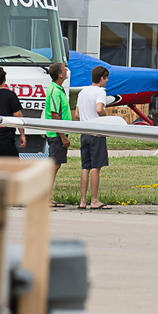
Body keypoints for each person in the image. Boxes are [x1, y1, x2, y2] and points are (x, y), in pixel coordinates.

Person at [74, 66, 112, 210]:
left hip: (84, 133)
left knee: (85, 167)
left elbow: (77, 114)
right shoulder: (100, 92)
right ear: (102, 78)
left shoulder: (82, 92)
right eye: (106, 78)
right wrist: (105, 117)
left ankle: (82, 201)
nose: (107, 81)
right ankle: (94, 200)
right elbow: (98, 109)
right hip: (97, 133)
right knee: (96, 167)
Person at [44, 62, 71, 207]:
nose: (67, 70)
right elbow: (55, 114)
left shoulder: (58, 89)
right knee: (54, 165)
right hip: (56, 134)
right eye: (64, 69)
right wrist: (62, 136)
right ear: (60, 74)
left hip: (58, 132)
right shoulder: (54, 90)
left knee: (55, 165)